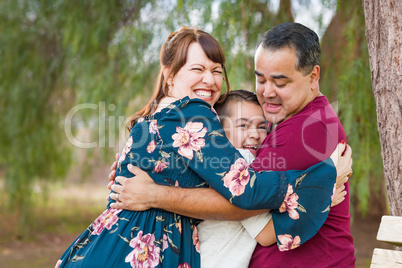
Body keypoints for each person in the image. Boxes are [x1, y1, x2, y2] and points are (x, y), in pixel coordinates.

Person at [57, 26, 350, 268]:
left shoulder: (160, 116)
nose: (209, 80)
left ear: (313, 77)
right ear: (169, 75)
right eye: (197, 68)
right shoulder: (193, 114)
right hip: (139, 249)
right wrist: (322, 181)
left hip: (126, 244)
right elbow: (245, 192)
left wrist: (153, 192)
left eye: (216, 70)